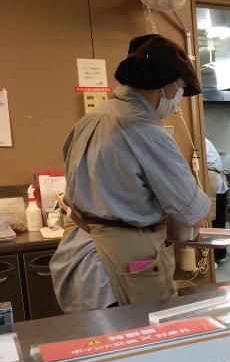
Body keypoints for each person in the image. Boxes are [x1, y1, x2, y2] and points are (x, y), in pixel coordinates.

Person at [50, 34, 211, 313]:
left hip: (77, 254)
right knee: (134, 337)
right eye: (180, 89)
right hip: (119, 265)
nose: (178, 101)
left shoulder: (88, 121)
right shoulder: (144, 129)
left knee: (93, 338)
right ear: (166, 85)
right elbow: (191, 210)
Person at [205, 137, 230, 261]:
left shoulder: (199, 140)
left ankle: (216, 255)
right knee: (219, 221)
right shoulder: (205, 140)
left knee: (215, 222)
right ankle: (219, 254)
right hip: (217, 182)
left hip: (213, 182)